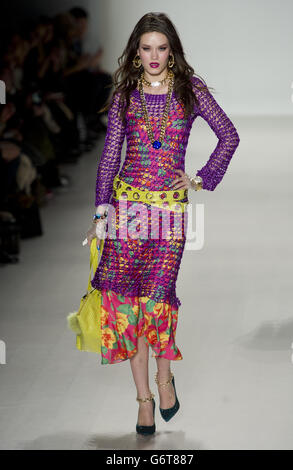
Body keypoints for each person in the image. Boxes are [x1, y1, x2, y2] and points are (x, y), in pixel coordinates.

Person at [85, 12, 240, 436]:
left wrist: (200, 178)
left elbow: (229, 134)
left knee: (158, 299)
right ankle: (143, 401)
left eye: (162, 48)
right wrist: (101, 212)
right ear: (136, 53)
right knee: (128, 305)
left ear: (172, 52)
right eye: (146, 48)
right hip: (127, 212)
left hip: (169, 213)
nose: (154, 56)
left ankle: (164, 378)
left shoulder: (190, 90)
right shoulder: (124, 95)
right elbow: (109, 156)